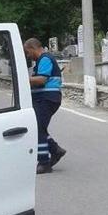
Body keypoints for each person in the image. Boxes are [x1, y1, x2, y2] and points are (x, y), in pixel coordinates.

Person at [24, 38, 66, 174]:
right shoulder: (41, 61)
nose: (28, 56)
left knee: (38, 128)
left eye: (28, 52)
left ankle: (44, 162)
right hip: (45, 98)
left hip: (47, 98)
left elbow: (42, 79)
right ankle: (55, 150)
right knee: (39, 127)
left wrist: (24, 79)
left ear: (33, 48)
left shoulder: (45, 59)